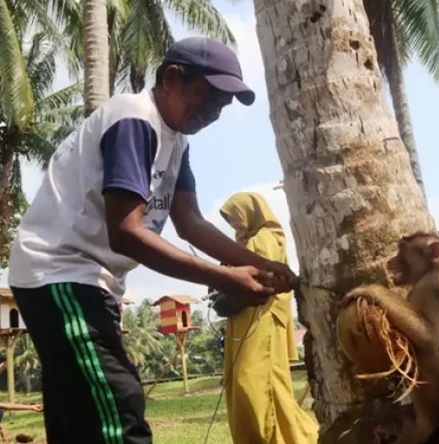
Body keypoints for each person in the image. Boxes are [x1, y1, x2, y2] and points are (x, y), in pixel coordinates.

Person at [6, 37, 298, 444]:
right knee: (118, 405)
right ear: (172, 78)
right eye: (209, 98)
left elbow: (191, 223)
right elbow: (127, 234)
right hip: (60, 270)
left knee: (80, 411)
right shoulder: (134, 119)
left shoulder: (176, 141)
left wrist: (262, 265)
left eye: (222, 107)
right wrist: (226, 278)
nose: (213, 114)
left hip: (87, 278)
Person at [218, 192, 318, 444]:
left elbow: (259, 280)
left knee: (251, 384)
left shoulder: (264, 239)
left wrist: (227, 285)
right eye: (229, 221)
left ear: (250, 212)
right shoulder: (244, 243)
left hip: (258, 318)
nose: (234, 225)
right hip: (243, 320)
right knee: (255, 385)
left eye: (235, 218)